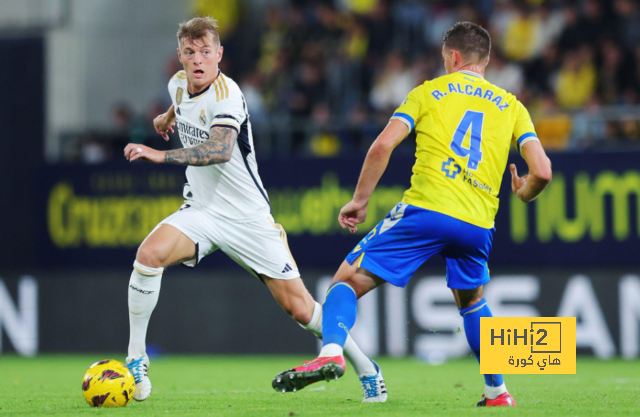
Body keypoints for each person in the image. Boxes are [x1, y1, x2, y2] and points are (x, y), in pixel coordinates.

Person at [272, 21, 552, 407]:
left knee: (346, 280)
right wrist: (525, 194)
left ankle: (332, 352)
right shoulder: (512, 106)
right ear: (485, 59)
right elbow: (542, 171)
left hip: (427, 209)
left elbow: (381, 146)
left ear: (452, 56)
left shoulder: (429, 92)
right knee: (471, 301)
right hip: (477, 225)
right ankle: (497, 392)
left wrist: (359, 200)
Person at [122, 17, 387, 403]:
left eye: (206, 52)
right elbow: (182, 102)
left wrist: (160, 155)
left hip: (248, 220)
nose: (198, 60)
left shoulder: (228, 95)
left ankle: (367, 367)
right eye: (191, 53)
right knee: (148, 255)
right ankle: (136, 358)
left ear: (219, 55)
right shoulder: (178, 84)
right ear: (180, 55)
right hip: (202, 212)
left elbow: (220, 149)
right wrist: (167, 118)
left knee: (301, 309)